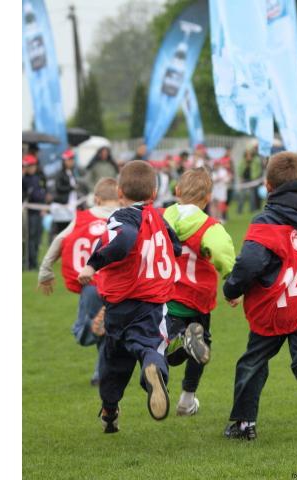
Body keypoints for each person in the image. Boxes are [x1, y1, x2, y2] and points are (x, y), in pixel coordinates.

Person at [222, 151, 297, 441]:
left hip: (275, 307)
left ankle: (244, 424)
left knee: (252, 363)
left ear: (268, 186)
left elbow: (250, 263)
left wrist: (232, 288)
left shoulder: (266, 221)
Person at [77, 161, 182, 433]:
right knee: (151, 346)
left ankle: (109, 410)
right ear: (154, 193)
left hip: (119, 303)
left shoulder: (121, 216)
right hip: (151, 303)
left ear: (120, 192)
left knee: (113, 362)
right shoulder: (158, 217)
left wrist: (93, 264)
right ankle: (153, 370)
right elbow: (176, 247)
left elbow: (123, 240)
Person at [163, 168, 236, 416]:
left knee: (165, 343)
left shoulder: (163, 218)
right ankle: (187, 399)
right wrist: (232, 282)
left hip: (167, 294)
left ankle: (178, 346)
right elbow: (222, 252)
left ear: (177, 191)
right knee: (202, 344)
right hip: (197, 298)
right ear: (208, 198)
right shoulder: (209, 226)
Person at [37, 178, 121, 385]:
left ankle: (100, 368)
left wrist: (45, 270)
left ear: (96, 199)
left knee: (82, 333)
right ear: (120, 197)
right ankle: (101, 372)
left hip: (90, 284)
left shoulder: (83, 218)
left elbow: (59, 240)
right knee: (109, 330)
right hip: (116, 285)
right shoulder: (125, 217)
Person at [22, 154, 47, 270]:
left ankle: (34, 261)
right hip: (29, 213)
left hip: (38, 211)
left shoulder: (37, 178)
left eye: (34, 166)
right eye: (30, 166)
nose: (32, 168)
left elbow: (41, 194)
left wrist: (43, 204)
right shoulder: (23, 179)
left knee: (37, 237)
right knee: (30, 238)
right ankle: (29, 262)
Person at [49, 149, 77, 242]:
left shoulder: (71, 173)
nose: (71, 162)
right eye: (69, 160)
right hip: (62, 206)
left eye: (72, 160)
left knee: (69, 230)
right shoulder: (60, 174)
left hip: (71, 205)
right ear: (64, 161)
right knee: (61, 230)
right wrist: (71, 188)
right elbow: (59, 187)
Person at [237, 146, 263, 214]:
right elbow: (239, 170)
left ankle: (252, 209)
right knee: (242, 195)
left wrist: (255, 177)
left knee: (252, 196)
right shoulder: (243, 161)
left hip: (252, 180)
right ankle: (239, 210)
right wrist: (240, 178)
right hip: (244, 180)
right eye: (247, 153)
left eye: (249, 153)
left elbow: (259, 170)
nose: (248, 155)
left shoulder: (256, 160)